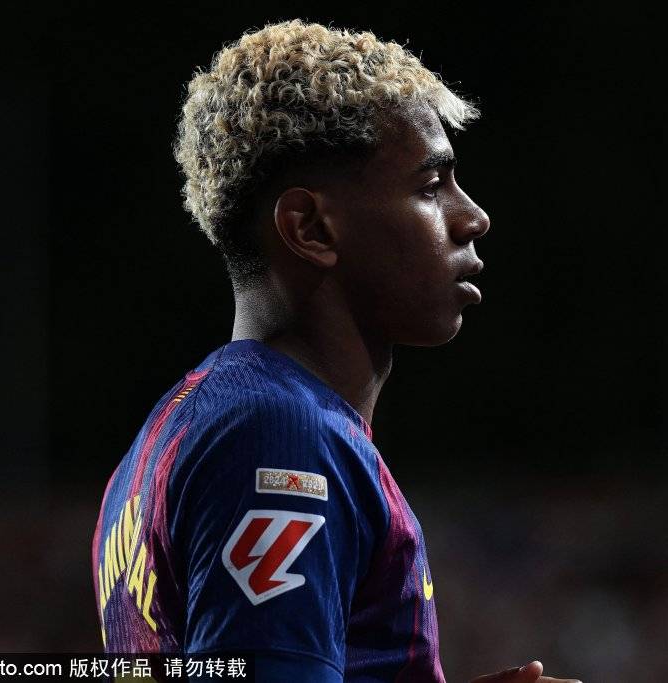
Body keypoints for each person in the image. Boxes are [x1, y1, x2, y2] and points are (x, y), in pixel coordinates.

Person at [92, 19, 579, 683]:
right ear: (311, 227)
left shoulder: (168, 436)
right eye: (430, 186)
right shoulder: (278, 434)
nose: (473, 216)